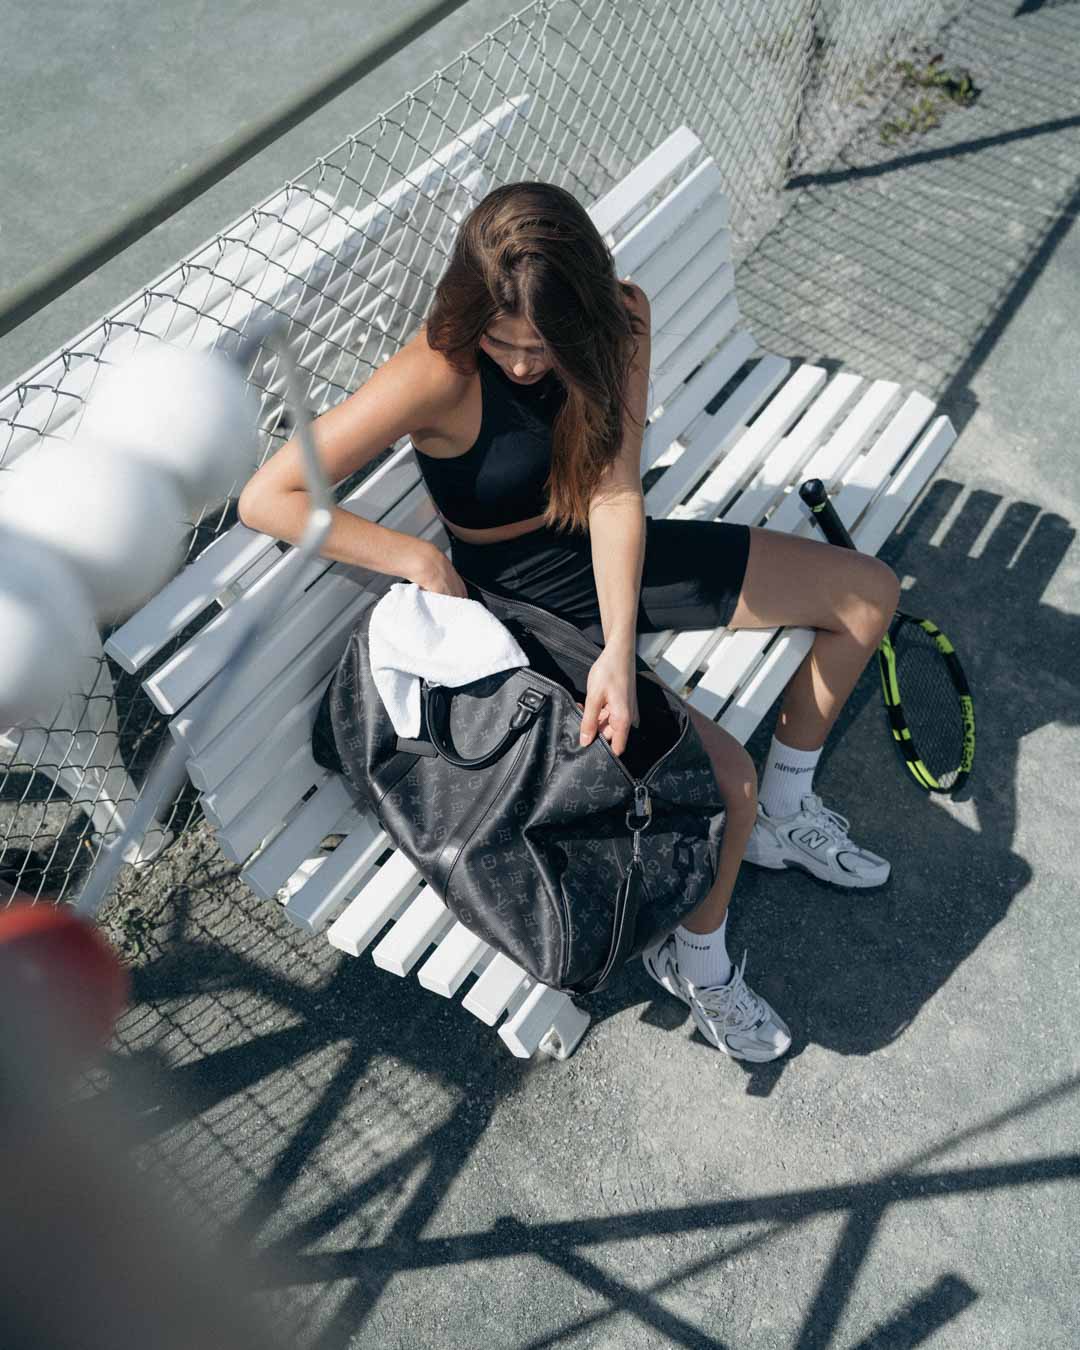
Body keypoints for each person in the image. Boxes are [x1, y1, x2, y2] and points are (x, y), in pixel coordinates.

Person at [238, 182, 899, 1067]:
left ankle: (789, 813)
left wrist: (621, 654)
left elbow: (618, 492)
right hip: (523, 607)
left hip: (612, 551)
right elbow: (267, 497)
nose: (519, 364)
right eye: (502, 340)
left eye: (541, 346)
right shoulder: (438, 368)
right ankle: (695, 963)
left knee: (865, 596)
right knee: (722, 781)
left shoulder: (621, 319)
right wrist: (419, 559)